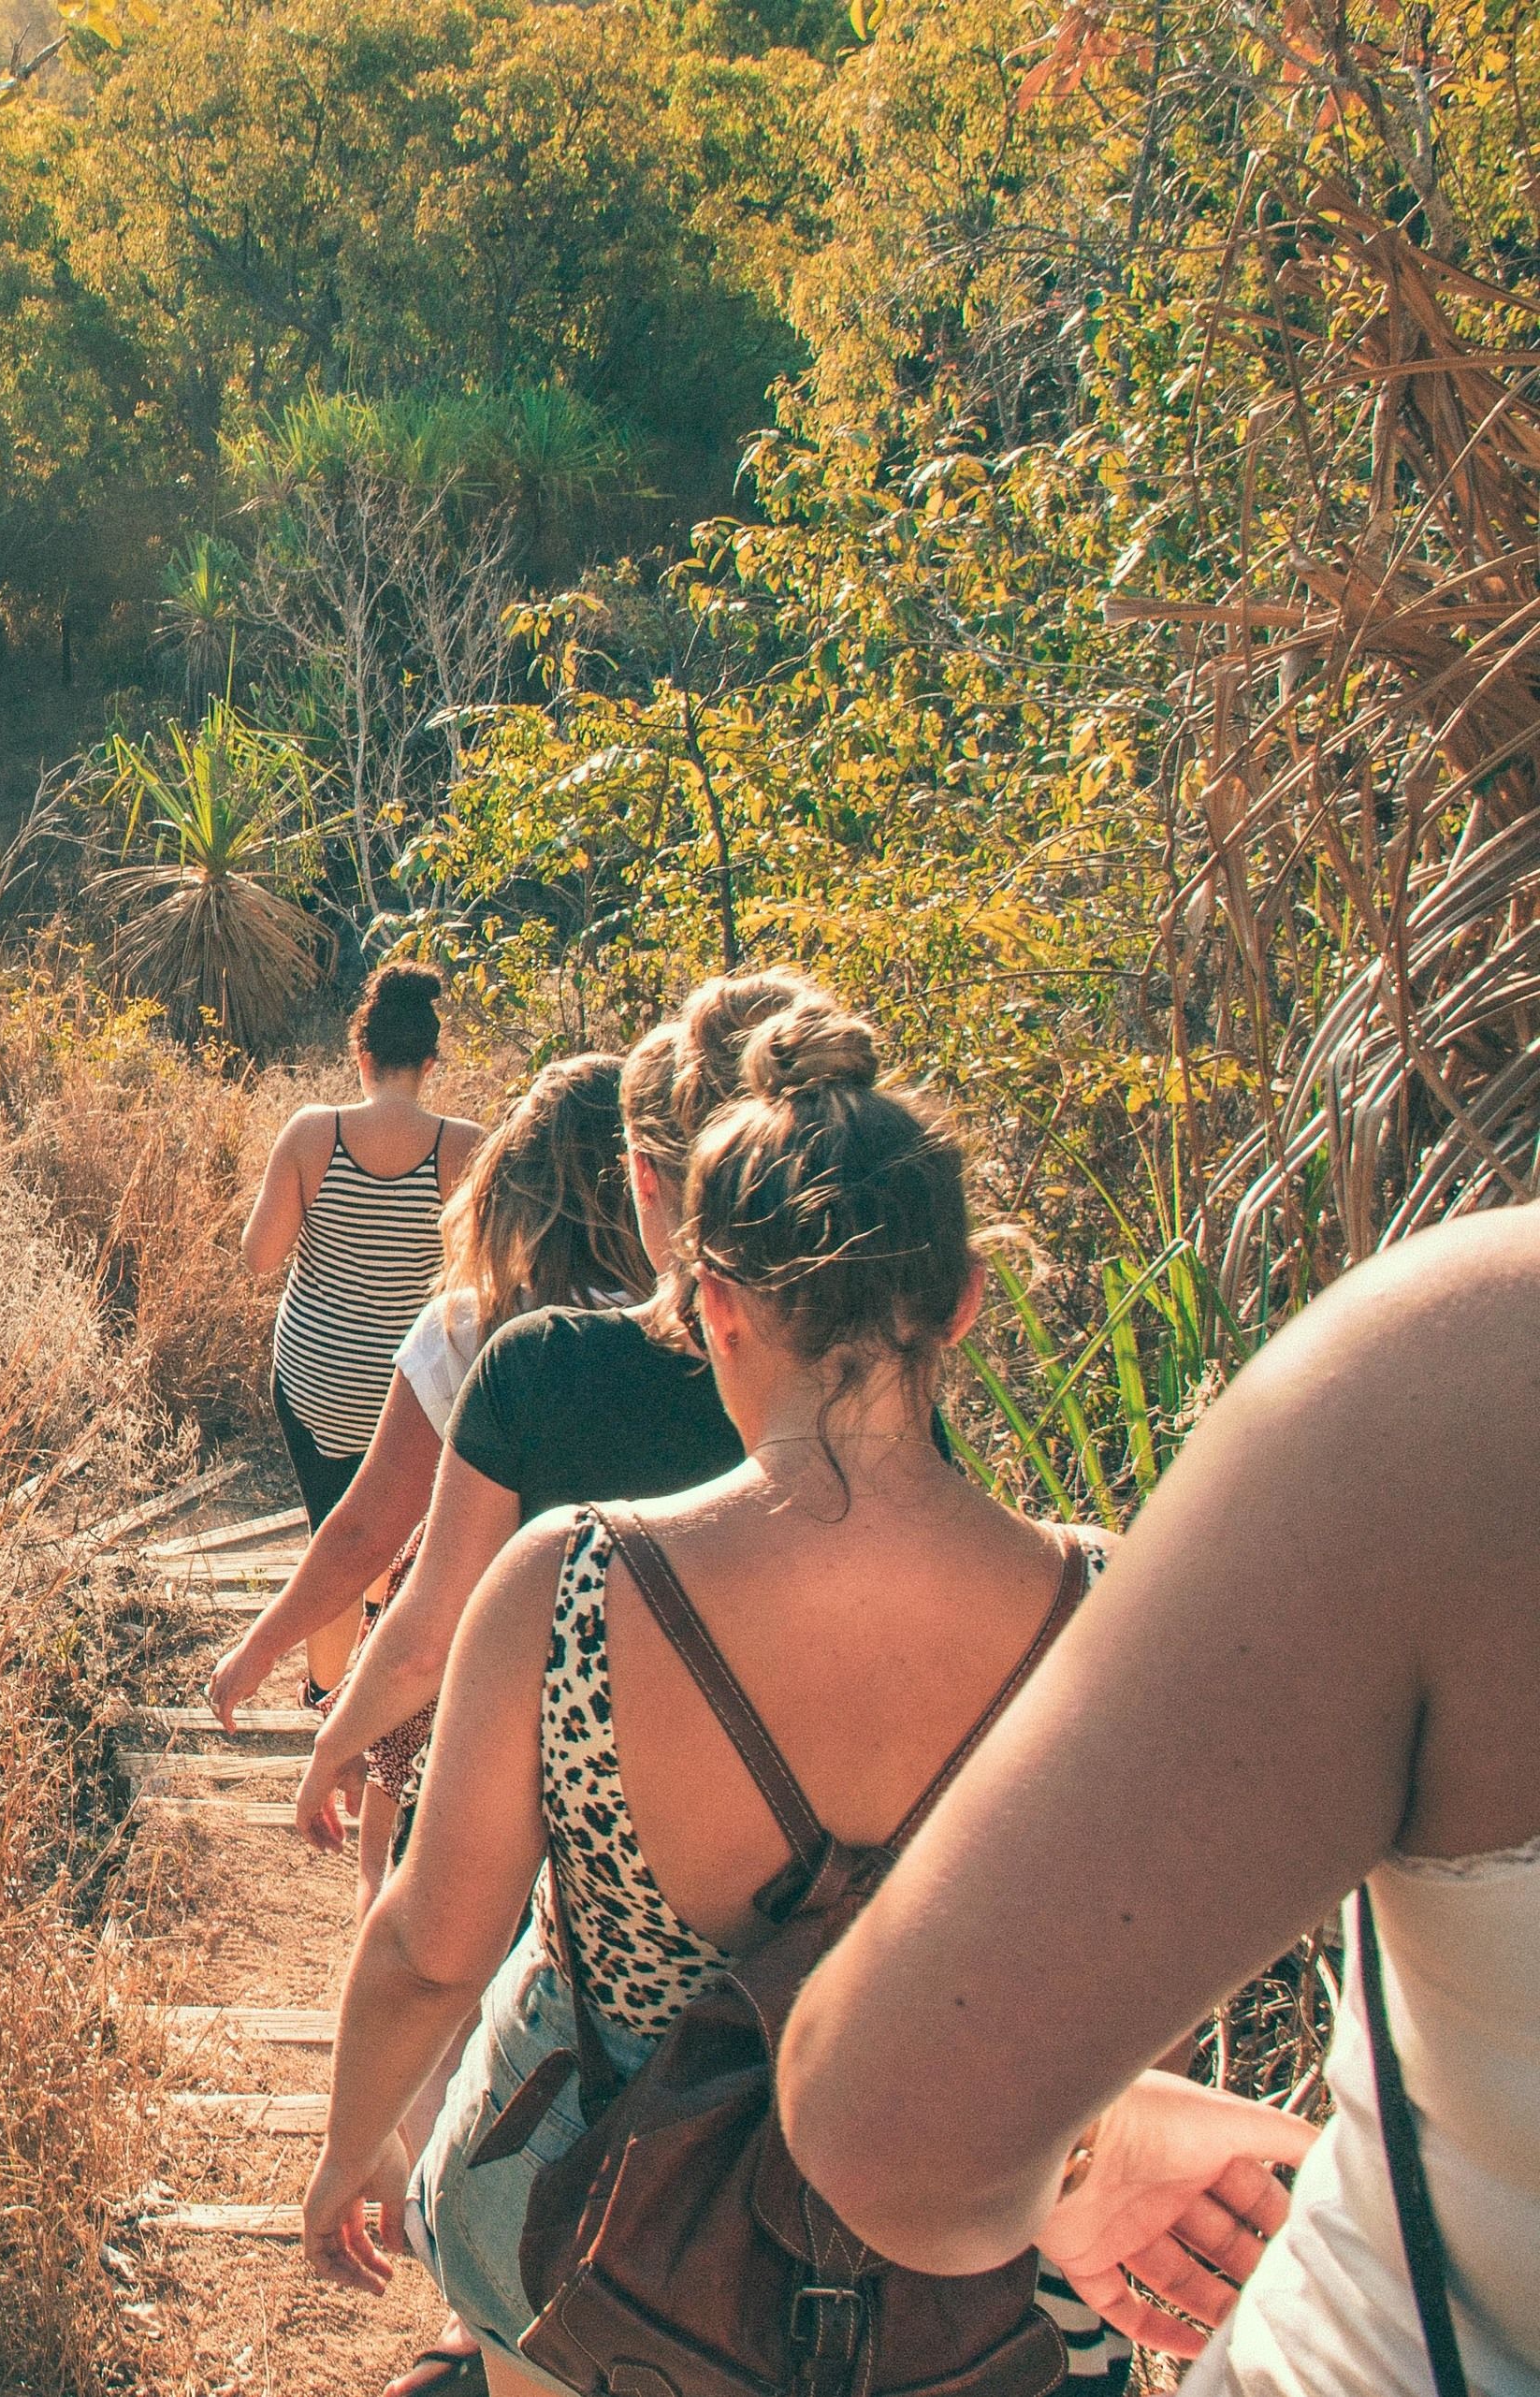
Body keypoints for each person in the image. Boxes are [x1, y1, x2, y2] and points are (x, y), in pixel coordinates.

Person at [299, 997, 1126, 2397]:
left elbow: (433, 1948)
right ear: (966, 1297)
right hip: (974, 2279)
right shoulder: (1105, 1609)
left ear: (713, 1300)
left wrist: (347, 2145)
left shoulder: (568, 1584)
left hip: (609, 2263)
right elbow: (1136, 1994)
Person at [777, 1208, 1540, 2391]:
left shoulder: (1465, 1375)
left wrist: (1095, 2147)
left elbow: (886, 2127)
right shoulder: (1080, 1568)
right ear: (964, 1305)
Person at [287, 969, 825, 1860]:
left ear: (646, 1178)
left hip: (567, 1831)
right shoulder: (870, 1392)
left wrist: (337, 1734)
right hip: (779, 1839)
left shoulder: (538, 1364)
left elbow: (425, 1621)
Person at [211, 1053, 656, 1902]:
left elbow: (369, 1532)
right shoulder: (709, 1335)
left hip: (480, 1698)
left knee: (408, 1923)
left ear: (516, 1183)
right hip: (649, 1713)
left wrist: (275, 1666)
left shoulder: (475, 1328)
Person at [240, 961, 482, 1701]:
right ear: (431, 1062)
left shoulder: (315, 1133)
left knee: (331, 1529)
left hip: (313, 1380)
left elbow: (258, 1259)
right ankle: (378, 1653)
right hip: (409, 1393)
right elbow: (478, 1283)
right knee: (393, 1524)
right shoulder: (465, 1146)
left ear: (362, 1056)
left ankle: (322, 1693)